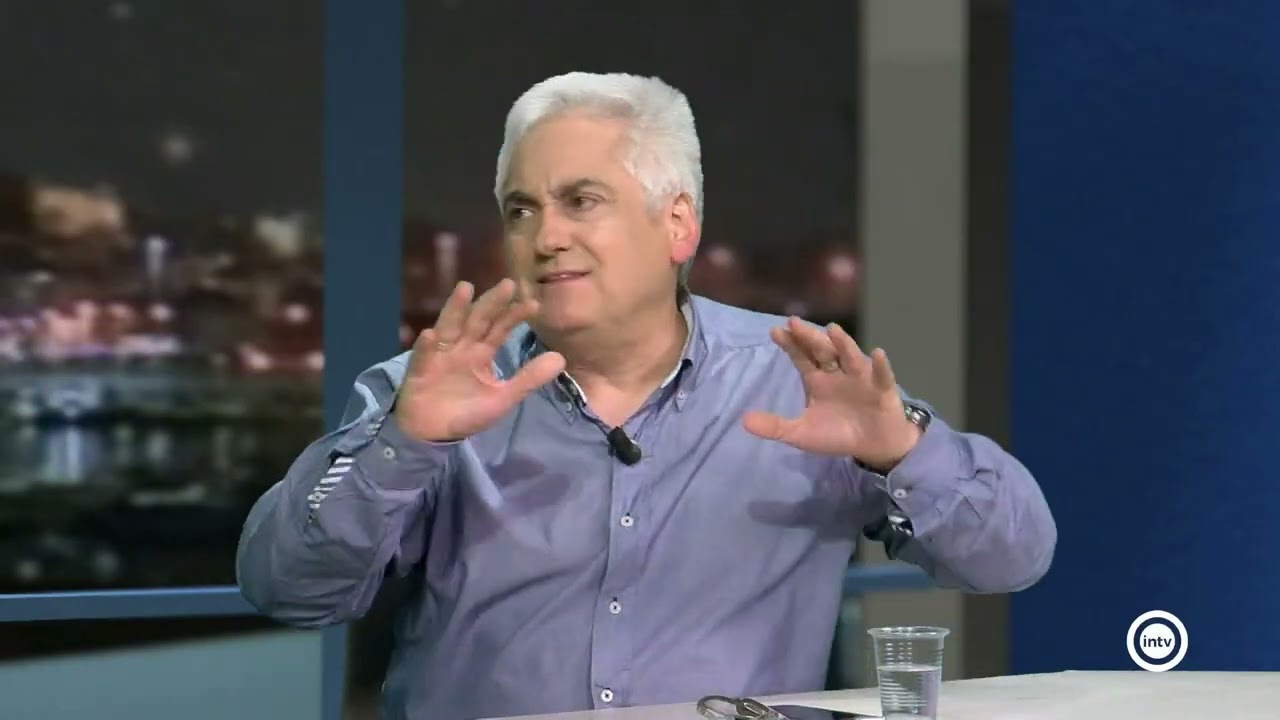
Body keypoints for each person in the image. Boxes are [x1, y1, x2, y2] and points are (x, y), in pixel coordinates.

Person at [236, 72, 1056, 720]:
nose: (545, 236)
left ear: (678, 225)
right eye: (521, 210)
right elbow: (287, 588)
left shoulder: (798, 379)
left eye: (581, 201)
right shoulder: (428, 392)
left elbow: (1012, 558)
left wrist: (902, 450)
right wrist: (405, 446)